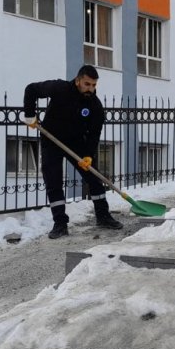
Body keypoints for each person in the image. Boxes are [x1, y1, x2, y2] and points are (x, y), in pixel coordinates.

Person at [23, 65, 123, 239]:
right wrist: (30, 115)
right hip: (51, 140)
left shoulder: (95, 106)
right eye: (87, 84)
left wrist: (88, 155)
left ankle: (103, 216)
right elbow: (31, 89)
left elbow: (94, 134)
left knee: (94, 177)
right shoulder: (59, 88)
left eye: (94, 85)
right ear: (78, 81)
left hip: (76, 144)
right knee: (54, 181)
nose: (90, 89)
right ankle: (60, 223)